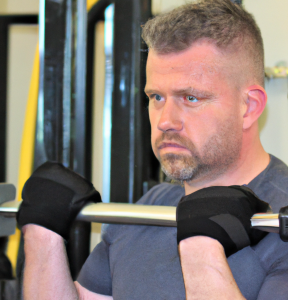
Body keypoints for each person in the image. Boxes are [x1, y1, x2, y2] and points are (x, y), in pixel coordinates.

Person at [18, 0, 288, 299]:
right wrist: (42, 235)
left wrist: (201, 249)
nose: (165, 122)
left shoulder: (280, 220)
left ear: (249, 107)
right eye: (156, 97)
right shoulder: (151, 205)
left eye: (191, 98)